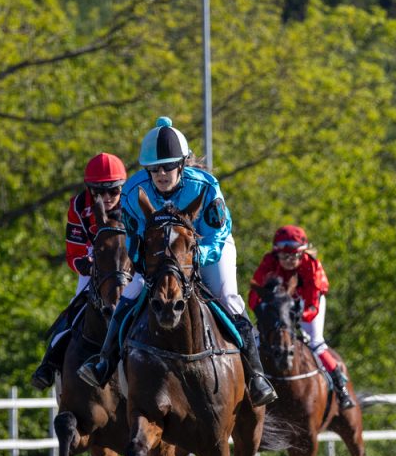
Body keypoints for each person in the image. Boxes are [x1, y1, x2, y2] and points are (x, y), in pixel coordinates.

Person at [77, 117, 277, 407]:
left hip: (208, 249)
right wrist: (142, 265)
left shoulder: (205, 186)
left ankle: (256, 376)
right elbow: (133, 237)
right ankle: (104, 363)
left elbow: (217, 234)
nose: (160, 174)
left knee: (228, 296)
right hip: (159, 257)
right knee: (129, 296)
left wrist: (192, 259)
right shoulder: (134, 192)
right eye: (154, 168)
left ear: (181, 164)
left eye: (168, 166)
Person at [31, 152, 128, 390]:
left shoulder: (134, 201)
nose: (106, 197)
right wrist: (83, 264)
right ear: (88, 189)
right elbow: (74, 250)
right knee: (76, 306)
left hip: (129, 264)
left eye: (113, 191)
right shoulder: (78, 206)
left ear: (122, 188)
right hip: (96, 265)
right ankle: (50, 361)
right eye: (98, 191)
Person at [248, 225, 355, 410]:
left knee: (315, 342)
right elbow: (254, 297)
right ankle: (253, 383)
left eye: (294, 256)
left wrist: (297, 319)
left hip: (307, 306)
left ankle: (340, 387)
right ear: (276, 254)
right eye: (284, 256)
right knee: (256, 341)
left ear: (302, 252)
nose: (289, 260)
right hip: (280, 309)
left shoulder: (312, 265)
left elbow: (313, 304)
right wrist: (263, 314)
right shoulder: (268, 262)